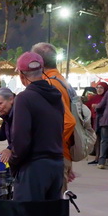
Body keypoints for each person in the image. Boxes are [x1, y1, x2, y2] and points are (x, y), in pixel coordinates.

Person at [9, 51, 66, 202]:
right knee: (50, 214)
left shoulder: (24, 98)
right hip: (56, 165)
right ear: (42, 71)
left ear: (21, 75)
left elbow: (21, 138)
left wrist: (13, 163)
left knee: (27, 214)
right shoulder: (56, 95)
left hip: (34, 166)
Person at [31, 42, 79, 182]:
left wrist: (47, 146)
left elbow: (69, 122)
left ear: (38, 62)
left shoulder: (50, 84)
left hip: (55, 155)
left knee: (52, 196)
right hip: (60, 153)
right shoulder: (60, 80)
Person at [85, 81, 108, 165]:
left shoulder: (107, 97)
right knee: (97, 139)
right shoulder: (94, 97)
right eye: (97, 87)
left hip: (104, 121)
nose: (99, 89)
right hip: (95, 121)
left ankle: (104, 158)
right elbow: (86, 106)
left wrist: (98, 106)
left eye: (101, 87)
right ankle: (97, 157)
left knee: (104, 140)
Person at [0, 86, 16, 165]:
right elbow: (2, 135)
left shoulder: (20, 114)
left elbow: (24, 137)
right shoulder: (7, 115)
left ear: (11, 99)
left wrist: (10, 149)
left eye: (0, 103)